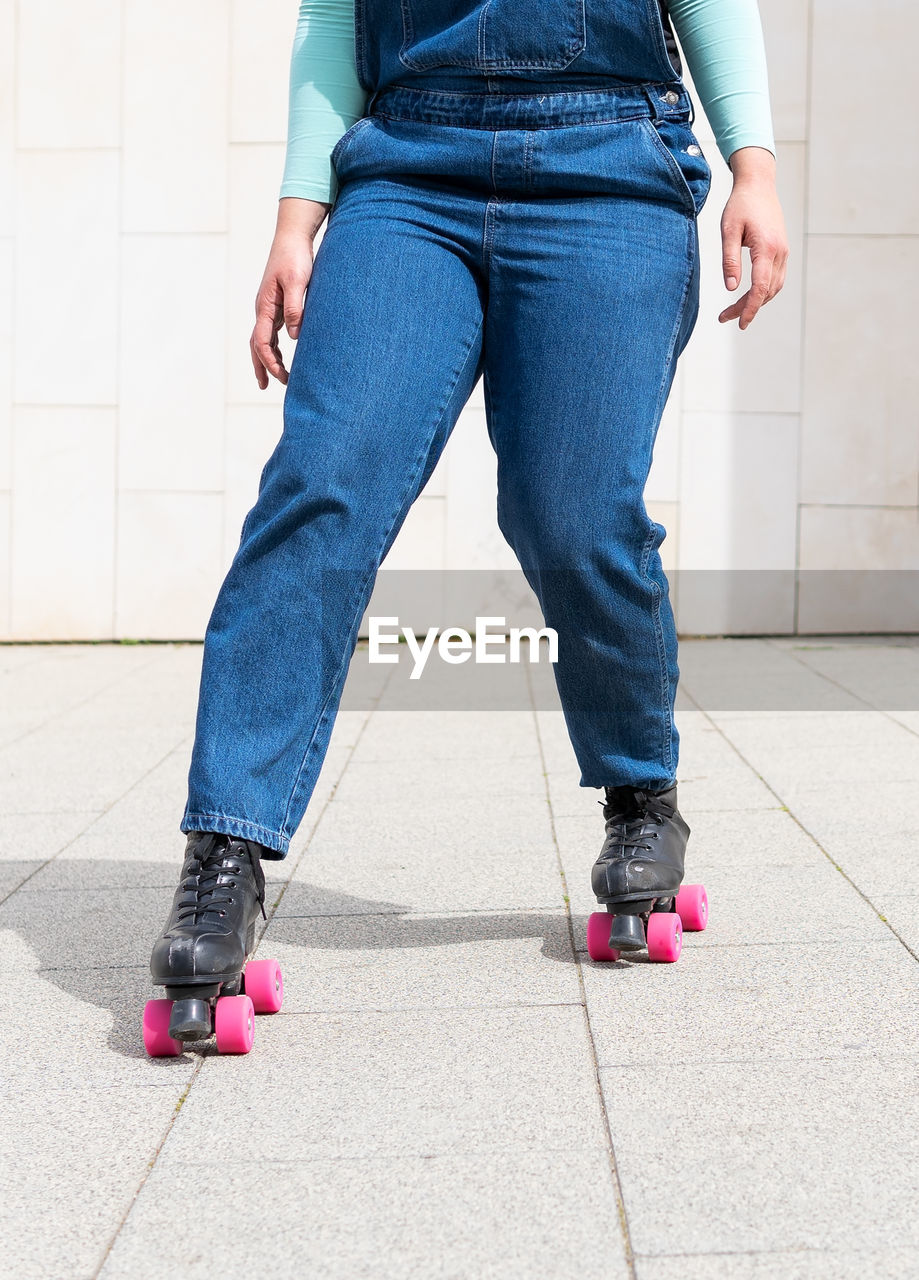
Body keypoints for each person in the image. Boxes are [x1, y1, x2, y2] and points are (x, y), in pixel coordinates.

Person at [147, 0, 788, 1045]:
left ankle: (640, 792)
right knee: (322, 485)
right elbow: (331, 16)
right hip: (407, 171)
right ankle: (223, 849)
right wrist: (296, 216)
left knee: (572, 514)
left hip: (609, 163)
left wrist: (752, 166)